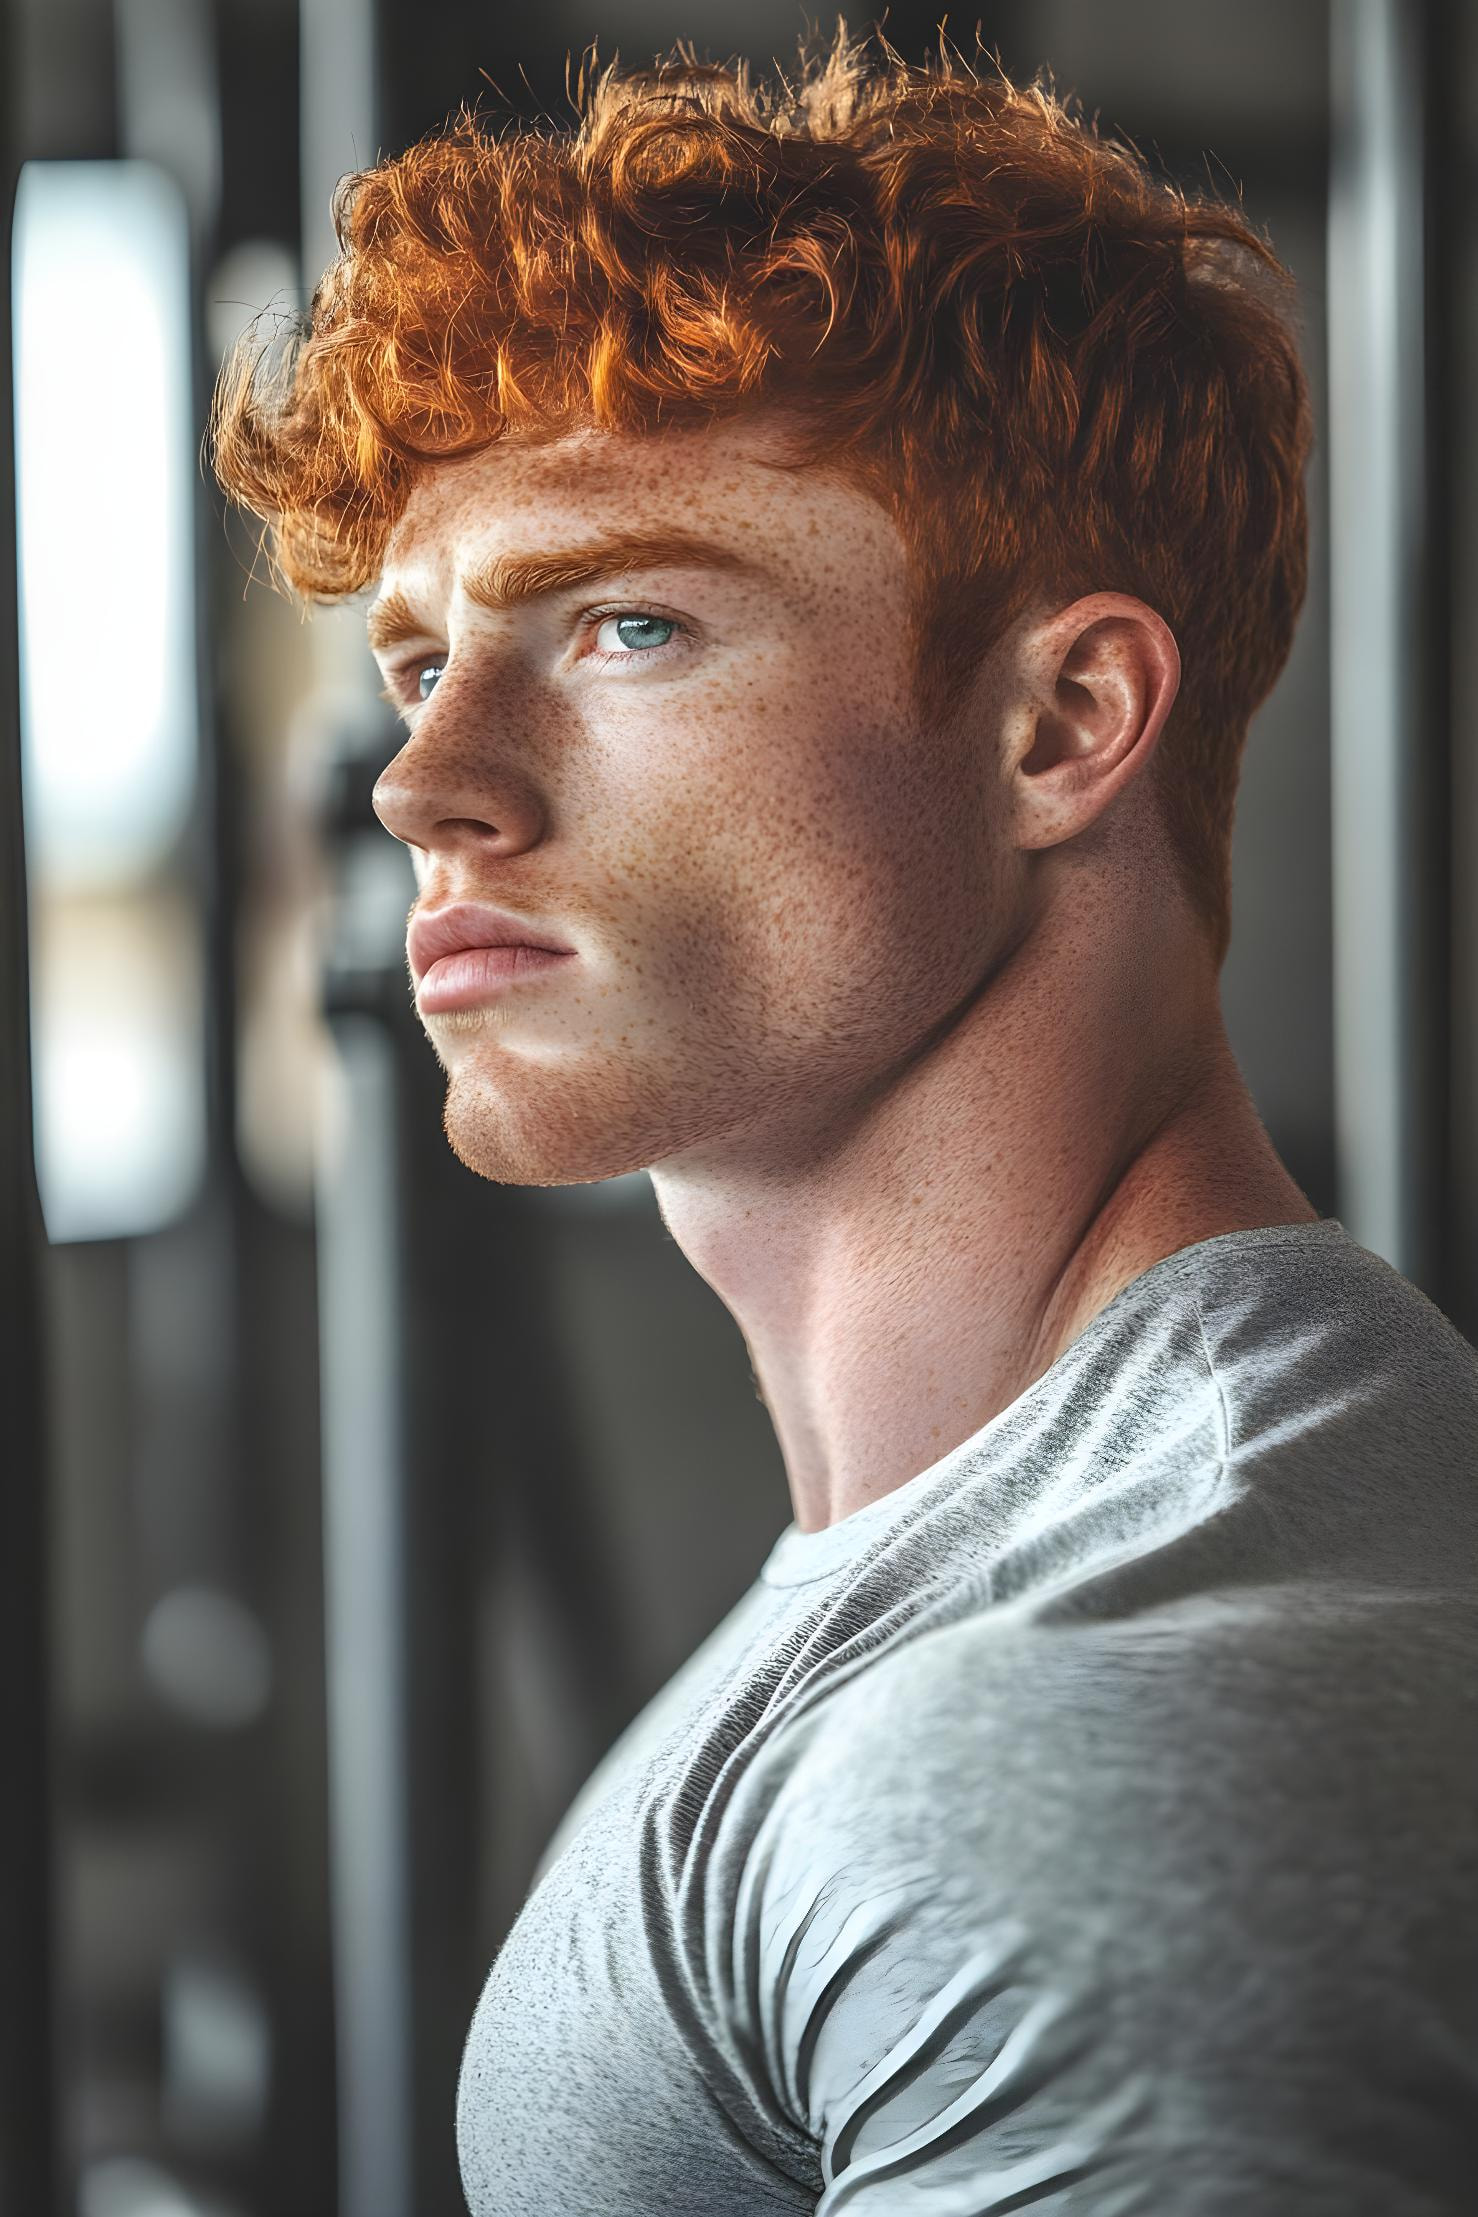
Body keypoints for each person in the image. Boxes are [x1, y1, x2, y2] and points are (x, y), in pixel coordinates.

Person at [212, 25, 1478, 2211]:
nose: (428, 786)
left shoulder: (1095, 1744)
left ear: (1064, 722)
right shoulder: (1000, 1571)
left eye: (624, 623)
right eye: (422, 664)